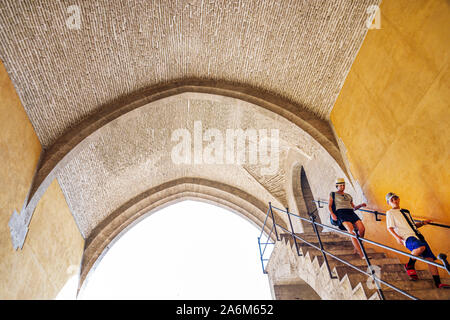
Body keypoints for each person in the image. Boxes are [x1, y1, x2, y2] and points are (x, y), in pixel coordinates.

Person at [385, 192, 449, 289]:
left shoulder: (406, 211)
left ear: (399, 199)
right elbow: (390, 228)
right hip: (407, 237)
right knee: (420, 248)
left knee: (430, 259)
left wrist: (423, 223)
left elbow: (413, 226)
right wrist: (397, 238)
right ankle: (409, 265)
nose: (394, 201)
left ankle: (438, 283)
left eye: (395, 198)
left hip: (418, 236)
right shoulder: (390, 213)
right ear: (388, 203)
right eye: (391, 200)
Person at [328, 178, 367, 258]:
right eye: (340, 185)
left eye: (343, 185)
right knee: (352, 231)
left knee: (362, 229)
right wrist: (332, 214)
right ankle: (361, 254)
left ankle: (358, 245)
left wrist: (360, 205)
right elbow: (329, 205)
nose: (342, 187)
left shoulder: (348, 196)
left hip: (350, 212)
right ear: (337, 186)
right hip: (341, 213)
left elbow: (353, 207)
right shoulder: (333, 194)